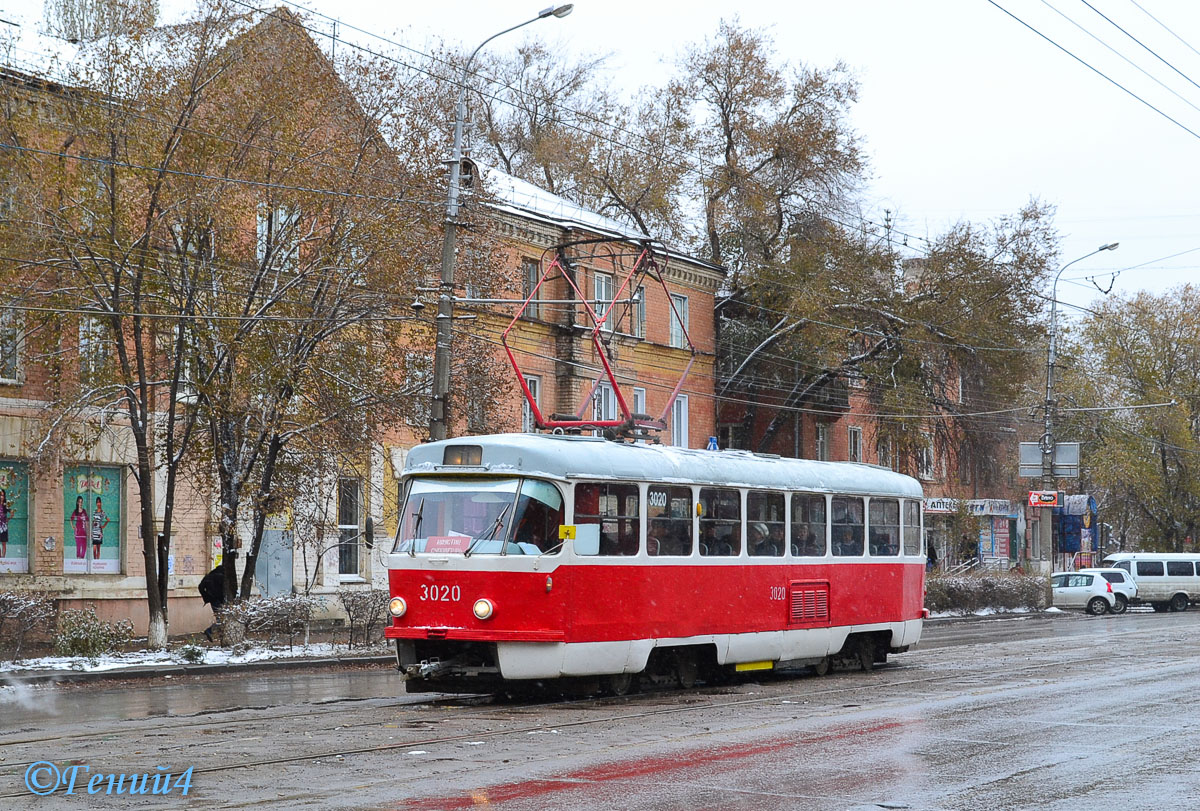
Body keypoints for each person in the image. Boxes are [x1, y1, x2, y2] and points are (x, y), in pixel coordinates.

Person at [198, 565, 226, 642]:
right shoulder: (222, 577)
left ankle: (221, 635)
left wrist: (206, 596)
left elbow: (200, 587)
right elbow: (226, 589)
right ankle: (210, 630)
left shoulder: (209, 576)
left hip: (213, 600)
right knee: (223, 619)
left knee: (220, 618)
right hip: (221, 600)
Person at [90, 496, 109, 563]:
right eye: (97, 502)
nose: (98, 504)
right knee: (94, 548)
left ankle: (97, 561)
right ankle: (94, 561)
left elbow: (108, 519)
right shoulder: (94, 512)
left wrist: (103, 526)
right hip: (94, 530)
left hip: (99, 531)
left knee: (98, 548)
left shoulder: (102, 512)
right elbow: (93, 521)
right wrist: (91, 531)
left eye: (99, 502)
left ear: (101, 503)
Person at [0, 488, 14, 558]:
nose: (1, 497)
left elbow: (12, 512)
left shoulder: (6, 505)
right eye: (0, 495)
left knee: (4, 543)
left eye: (2, 495)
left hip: (3, 526)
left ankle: (3, 558)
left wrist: (8, 519)